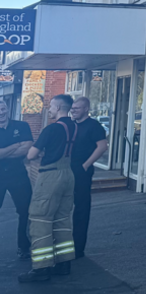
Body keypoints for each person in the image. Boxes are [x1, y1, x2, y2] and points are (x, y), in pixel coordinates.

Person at [19, 95, 77, 282]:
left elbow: (31, 154)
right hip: (68, 174)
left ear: (59, 106)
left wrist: (37, 153)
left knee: (40, 219)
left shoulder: (51, 128)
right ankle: (64, 263)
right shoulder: (74, 127)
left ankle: (42, 268)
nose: (49, 109)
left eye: (51, 106)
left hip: (50, 175)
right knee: (62, 220)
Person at [59, 96, 107, 259]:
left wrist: (86, 165)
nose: (73, 111)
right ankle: (62, 244)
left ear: (86, 109)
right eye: (72, 108)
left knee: (81, 209)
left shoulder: (94, 126)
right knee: (62, 207)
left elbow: (102, 147)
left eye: (77, 108)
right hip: (65, 169)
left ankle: (78, 248)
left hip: (82, 171)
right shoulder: (71, 125)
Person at [0, 97, 33, 260]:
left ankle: (24, 247)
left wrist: (3, 152)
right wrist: (15, 146)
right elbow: (20, 147)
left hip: (18, 174)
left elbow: (27, 148)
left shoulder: (22, 125)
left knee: (26, 210)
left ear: (7, 109)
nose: (1, 112)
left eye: (3, 108)